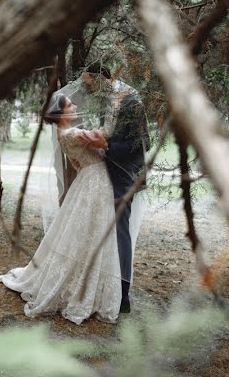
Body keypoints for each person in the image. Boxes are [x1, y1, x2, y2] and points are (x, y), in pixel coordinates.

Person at [0, 93, 122, 324]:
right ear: (61, 112)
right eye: (70, 104)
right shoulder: (72, 133)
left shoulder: (62, 135)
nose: (75, 106)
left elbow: (78, 160)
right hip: (95, 183)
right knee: (92, 235)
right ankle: (83, 291)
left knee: (85, 235)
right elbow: (103, 138)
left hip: (90, 181)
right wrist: (115, 107)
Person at [78, 63, 150, 314]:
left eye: (89, 84)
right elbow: (110, 132)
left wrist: (105, 147)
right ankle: (102, 286)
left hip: (124, 176)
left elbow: (142, 143)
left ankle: (123, 295)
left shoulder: (130, 100)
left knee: (120, 232)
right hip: (105, 169)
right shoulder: (108, 98)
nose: (87, 90)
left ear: (101, 79)